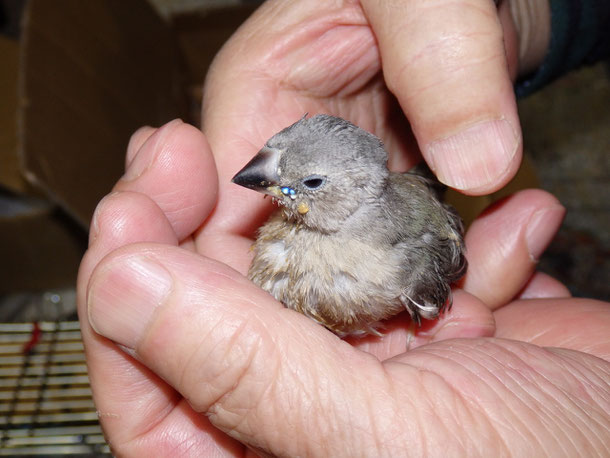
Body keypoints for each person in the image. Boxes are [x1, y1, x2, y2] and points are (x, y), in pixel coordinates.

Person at [77, 0, 610, 455]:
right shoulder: (286, 224)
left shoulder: (404, 258)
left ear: (353, 190)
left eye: (306, 182)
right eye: (272, 156)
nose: (264, 179)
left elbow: (441, 260)